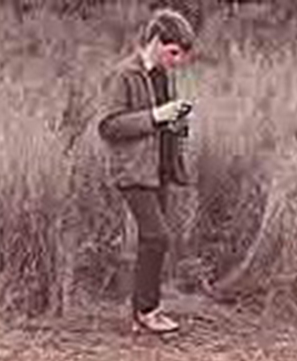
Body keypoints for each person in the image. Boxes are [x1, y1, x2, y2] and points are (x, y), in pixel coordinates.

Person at [98, 8, 198, 334]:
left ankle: (143, 312)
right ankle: (147, 311)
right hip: (132, 171)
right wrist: (156, 116)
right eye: (173, 52)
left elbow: (163, 122)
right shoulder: (124, 74)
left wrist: (177, 122)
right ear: (156, 41)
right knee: (157, 236)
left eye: (182, 55)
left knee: (152, 239)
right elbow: (109, 125)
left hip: (160, 169)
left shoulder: (164, 75)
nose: (178, 60)